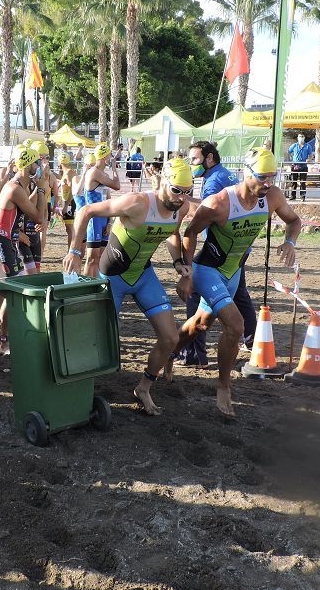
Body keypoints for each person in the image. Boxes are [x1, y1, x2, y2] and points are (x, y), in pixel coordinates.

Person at [170, 149, 301, 418]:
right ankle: (223, 387)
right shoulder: (219, 203)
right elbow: (190, 232)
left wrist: (289, 242)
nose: (267, 183)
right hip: (209, 270)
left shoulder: (273, 196)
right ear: (246, 172)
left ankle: (168, 354)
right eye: (262, 177)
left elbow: (294, 220)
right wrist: (188, 273)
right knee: (236, 324)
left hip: (233, 272)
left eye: (272, 177)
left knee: (200, 323)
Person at [65, 158, 195, 416]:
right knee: (98, 340)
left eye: (187, 191)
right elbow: (86, 211)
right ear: (163, 183)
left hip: (143, 276)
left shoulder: (181, 208)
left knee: (170, 338)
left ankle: (144, 387)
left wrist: (178, 261)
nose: (181, 197)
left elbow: (172, 232)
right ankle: (76, 390)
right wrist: (75, 251)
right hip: (112, 277)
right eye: (176, 190)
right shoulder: (137, 203)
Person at [181, 140, 257, 365]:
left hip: (219, 252)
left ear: (209, 158)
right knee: (240, 294)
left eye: (195, 159)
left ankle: (194, 355)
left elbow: (207, 210)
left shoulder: (213, 181)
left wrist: (182, 199)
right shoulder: (225, 174)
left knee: (195, 294)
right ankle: (252, 340)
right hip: (240, 249)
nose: (192, 164)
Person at [0, 145, 47, 351]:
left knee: (20, 290)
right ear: (28, 164)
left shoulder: (19, 186)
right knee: (13, 295)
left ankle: (11, 336)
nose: (38, 166)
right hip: (1, 243)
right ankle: (4, 341)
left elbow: (29, 209)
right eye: (35, 163)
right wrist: (41, 188)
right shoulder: (14, 188)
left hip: (7, 243)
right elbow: (37, 215)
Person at [80, 143, 120, 277]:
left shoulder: (102, 174)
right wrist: (115, 169)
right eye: (109, 156)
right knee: (92, 258)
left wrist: (109, 222)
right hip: (94, 218)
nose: (111, 158)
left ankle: (95, 283)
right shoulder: (95, 172)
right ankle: (85, 285)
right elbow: (117, 185)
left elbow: (109, 200)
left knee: (101, 257)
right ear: (104, 157)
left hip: (104, 219)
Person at [287, 133, 311, 201]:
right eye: (300, 136)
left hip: (303, 166)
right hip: (295, 166)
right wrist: (289, 161)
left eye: (302, 136)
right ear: (298, 137)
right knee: (293, 181)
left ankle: (302, 196)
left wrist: (309, 159)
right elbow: (288, 152)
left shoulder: (308, 146)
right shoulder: (294, 145)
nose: (301, 137)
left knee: (303, 182)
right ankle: (293, 196)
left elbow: (310, 155)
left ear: (304, 137)